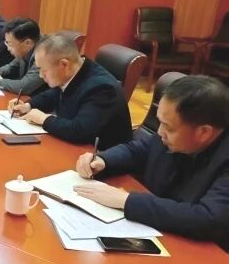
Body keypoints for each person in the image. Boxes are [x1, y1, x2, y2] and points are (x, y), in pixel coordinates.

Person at [75, 76, 229, 250]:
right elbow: (139, 149)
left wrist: (127, 201)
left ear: (204, 132)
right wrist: (104, 160)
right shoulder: (173, 135)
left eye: (167, 127)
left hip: (201, 252)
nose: (160, 132)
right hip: (157, 231)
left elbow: (208, 219)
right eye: (159, 122)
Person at [9, 33, 132, 149]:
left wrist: (44, 119)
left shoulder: (102, 88)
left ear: (64, 64)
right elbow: (54, 94)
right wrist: (28, 105)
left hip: (98, 155)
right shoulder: (75, 71)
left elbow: (79, 130)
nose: (41, 75)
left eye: (43, 70)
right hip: (72, 146)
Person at [0, 17, 46, 95]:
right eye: (6, 43)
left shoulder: (45, 54)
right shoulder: (25, 50)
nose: (8, 49)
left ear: (27, 43)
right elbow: (11, 67)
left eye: (9, 44)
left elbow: (23, 87)